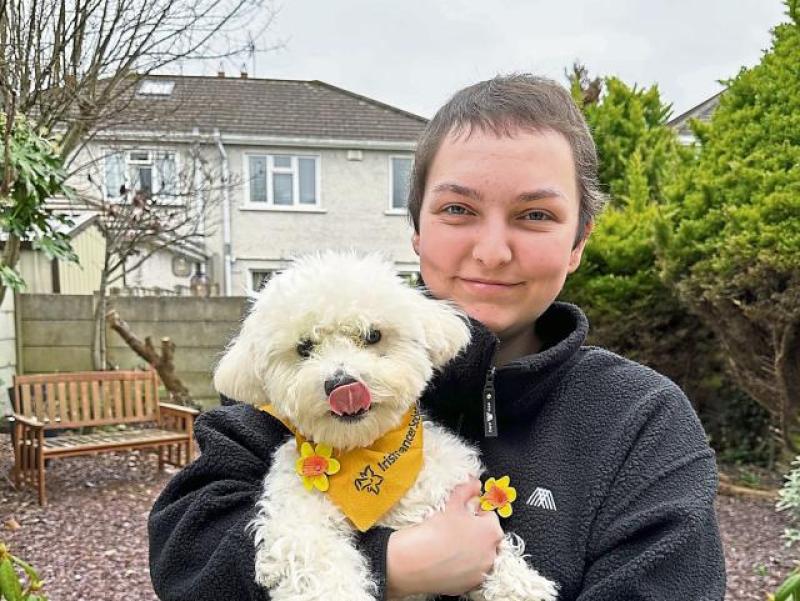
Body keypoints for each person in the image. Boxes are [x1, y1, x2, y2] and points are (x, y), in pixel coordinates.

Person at [149, 74, 726, 600]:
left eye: (536, 216)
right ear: (417, 231)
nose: (493, 251)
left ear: (578, 241)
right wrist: (391, 566)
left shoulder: (639, 420)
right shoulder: (281, 402)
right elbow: (187, 556)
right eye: (457, 208)